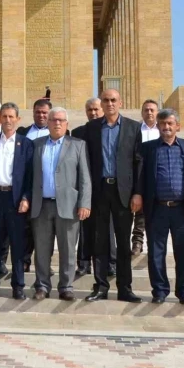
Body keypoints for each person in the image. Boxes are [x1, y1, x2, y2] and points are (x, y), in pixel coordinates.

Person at [84, 89, 143, 303]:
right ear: (101, 103)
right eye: (106, 100)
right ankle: (101, 286)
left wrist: (137, 192)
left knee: (123, 243)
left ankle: (125, 288)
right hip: (99, 190)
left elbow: (138, 162)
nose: (109, 103)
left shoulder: (133, 127)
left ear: (120, 103)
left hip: (123, 192)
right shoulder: (91, 128)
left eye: (113, 100)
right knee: (99, 240)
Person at [135, 109, 184, 305]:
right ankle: (159, 290)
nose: (166, 127)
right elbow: (140, 175)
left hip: (182, 209)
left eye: (170, 123)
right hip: (157, 209)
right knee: (156, 252)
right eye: (163, 123)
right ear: (158, 126)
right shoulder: (148, 148)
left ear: (178, 126)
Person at [30, 107, 91, 301]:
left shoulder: (78, 145)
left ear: (67, 124)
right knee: (41, 249)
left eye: (61, 120)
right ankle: (42, 286)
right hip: (42, 205)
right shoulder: (37, 145)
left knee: (68, 249)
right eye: (53, 120)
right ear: (47, 123)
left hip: (68, 206)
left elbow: (85, 178)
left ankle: (66, 286)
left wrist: (84, 203)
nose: (57, 123)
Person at [0, 102, 33, 300]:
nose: (8, 120)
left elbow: (30, 175)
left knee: (17, 246)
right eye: (4, 116)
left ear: (18, 119)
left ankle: (18, 286)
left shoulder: (26, 144)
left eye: (11, 116)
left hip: (16, 200)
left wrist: (26, 198)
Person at [72, 97, 115, 277]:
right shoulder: (78, 132)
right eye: (90, 110)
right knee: (84, 225)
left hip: (104, 186)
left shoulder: (109, 130)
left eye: (96, 109)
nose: (93, 113)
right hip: (84, 185)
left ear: (102, 109)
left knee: (108, 226)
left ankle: (111, 262)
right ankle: (83, 263)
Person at [17, 99, 54, 271]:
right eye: (38, 112)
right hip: (26, 185)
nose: (41, 115)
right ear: (33, 113)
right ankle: (24, 260)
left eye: (44, 112)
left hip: (45, 187)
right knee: (25, 227)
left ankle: (45, 264)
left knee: (46, 230)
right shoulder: (22, 132)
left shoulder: (58, 133)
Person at [133, 99, 160, 256]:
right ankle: (137, 241)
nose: (149, 112)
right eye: (146, 110)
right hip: (138, 172)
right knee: (139, 207)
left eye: (152, 110)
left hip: (157, 174)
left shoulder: (162, 129)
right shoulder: (135, 129)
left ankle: (153, 243)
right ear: (142, 112)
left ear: (157, 112)